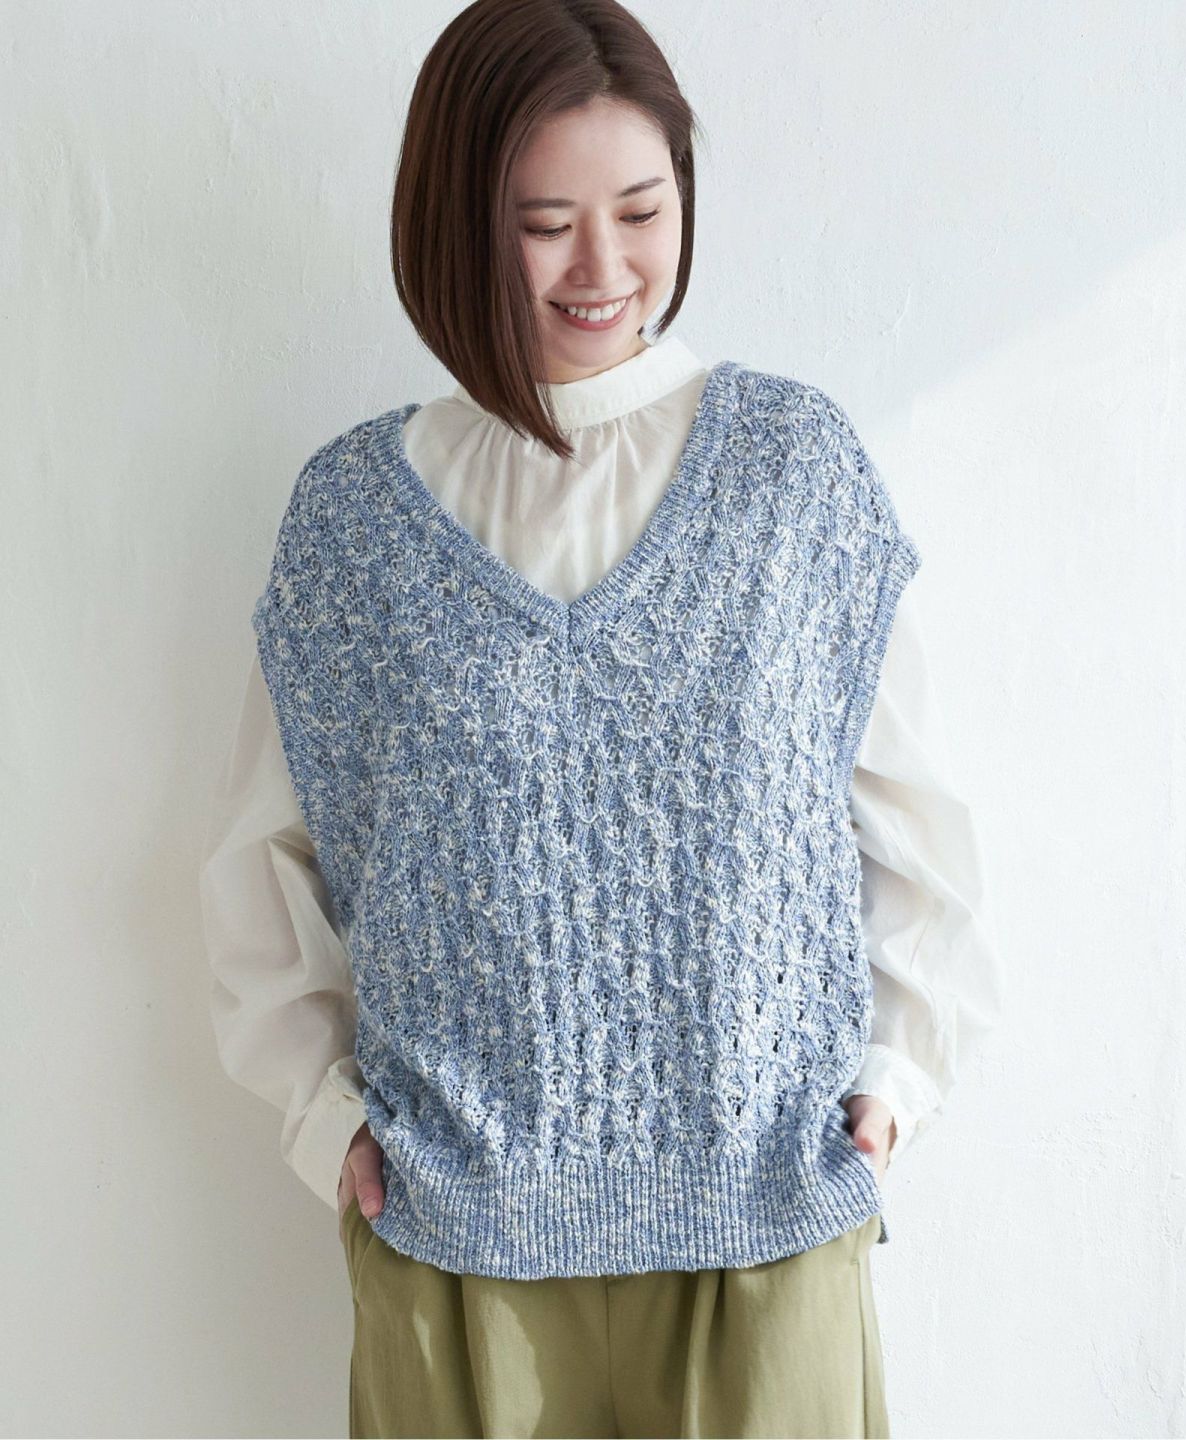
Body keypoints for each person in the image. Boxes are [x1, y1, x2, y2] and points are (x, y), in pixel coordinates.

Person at [200, 1, 1002, 1435]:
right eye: (543, 223)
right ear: (455, 222)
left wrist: (895, 1083)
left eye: (640, 210)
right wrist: (328, 1122)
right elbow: (265, 853)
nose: (604, 269)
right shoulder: (354, 523)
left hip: (768, 1236)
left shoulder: (794, 474)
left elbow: (912, 824)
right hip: (461, 1253)